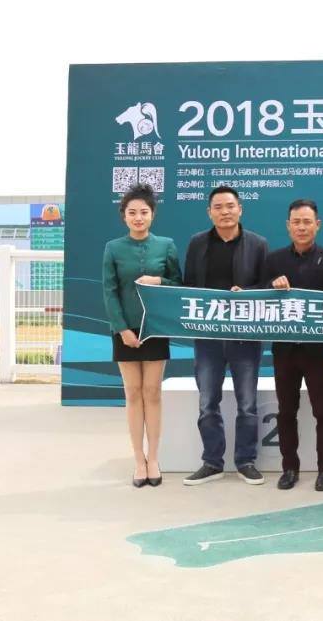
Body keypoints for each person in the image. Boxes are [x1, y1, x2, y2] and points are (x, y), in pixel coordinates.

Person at [181, 186, 270, 486]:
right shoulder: (197, 243)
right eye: (218, 207)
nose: (225, 212)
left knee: (247, 404)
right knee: (208, 402)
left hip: (245, 337)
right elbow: (188, 286)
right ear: (210, 213)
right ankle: (212, 462)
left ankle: (246, 461)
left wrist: (246, 293)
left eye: (230, 206)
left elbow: (267, 287)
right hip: (208, 338)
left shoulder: (258, 244)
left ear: (240, 209)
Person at [101, 183, 182, 487]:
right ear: (124, 216)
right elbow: (109, 291)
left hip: (156, 329)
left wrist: (159, 281)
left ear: (153, 215)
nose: (138, 218)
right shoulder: (113, 248)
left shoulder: (166, 245)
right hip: (125, 330)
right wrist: (121, 328)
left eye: (144, 212)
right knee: (133, 393)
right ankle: (138, 459)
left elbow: (179, 284)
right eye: (132, 212)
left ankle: (155, 458)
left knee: (153, 392)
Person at [263, 199, 323, 492]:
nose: (301, 227)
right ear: (288, 226)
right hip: (285, 350)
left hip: (318, 351)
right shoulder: (273, 260)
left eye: (307, 222)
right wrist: (270, 286)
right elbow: (258, 297)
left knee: (322, 411)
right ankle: (290, 468)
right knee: (286, 412)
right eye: (296, 222)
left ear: (317, 225)